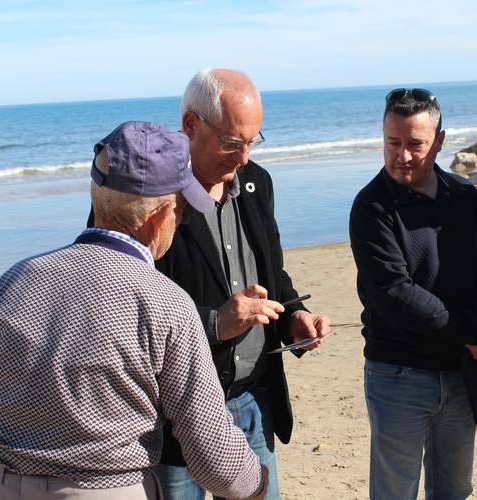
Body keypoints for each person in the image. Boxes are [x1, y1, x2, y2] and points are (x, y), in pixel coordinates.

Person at [0, 121, 268, 500]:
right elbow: (209, 447)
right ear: (158, 219)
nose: (178, 222)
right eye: (180, 212)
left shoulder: (15, 281)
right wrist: (254, 482)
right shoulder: (165, 304)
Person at [152, 69, 331, 500]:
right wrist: (215, 322)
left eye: (253, 140)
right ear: (190, 125)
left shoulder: (257, 183)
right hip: (179, 417)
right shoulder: (147, 193)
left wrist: (294, 318)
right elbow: (121, 302)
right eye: (233, 142)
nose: (245, 156)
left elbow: (273, 274)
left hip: (253, 400)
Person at [349, 88, 477, 500]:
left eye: (415, 144)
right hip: (397, 374)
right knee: (394, 492)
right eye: (392, 143)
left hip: (460, 371)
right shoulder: (371, 207)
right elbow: (396, 294)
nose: (402, 156)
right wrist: (474, 338)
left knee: (455, 489)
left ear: (439, 141)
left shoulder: (463, 196)